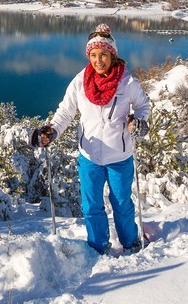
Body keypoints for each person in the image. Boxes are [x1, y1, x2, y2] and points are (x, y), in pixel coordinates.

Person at [33, 23, 151, 255]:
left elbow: (143, 106)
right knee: (92, 206)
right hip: (89, 157)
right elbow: (65, 113)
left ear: (112, 55)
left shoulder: (127, 82)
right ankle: (97, 247)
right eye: (94, 55)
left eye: (103, 55)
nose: (98, 61)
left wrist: (139, 122)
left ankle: (130, 242)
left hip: (120, 155)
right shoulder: (79, 82)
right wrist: (52, 131)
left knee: (122, 203)